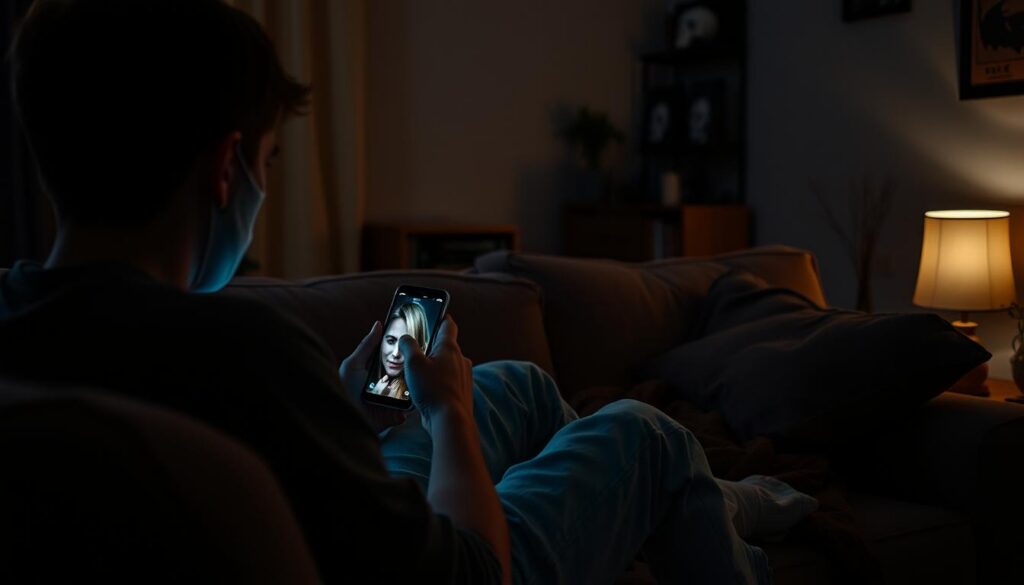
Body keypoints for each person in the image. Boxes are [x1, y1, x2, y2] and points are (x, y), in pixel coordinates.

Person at [0, 1, 816, 583]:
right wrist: (449, 417)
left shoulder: (18, 317)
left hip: (327, 521)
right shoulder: (243, 349)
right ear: (225, 170)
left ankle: (698, 497)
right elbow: (471, 569)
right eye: (269, 163)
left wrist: (340, 405)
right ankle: (697, 495)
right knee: (644, 432)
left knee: (517, 385)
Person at [368, 302, 431, 399]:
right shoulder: (365, 376)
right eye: (391, 341)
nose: (395, 353)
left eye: (406, 345)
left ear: (421, 348)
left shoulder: (423, 394)